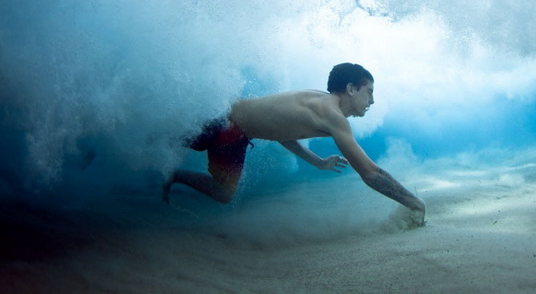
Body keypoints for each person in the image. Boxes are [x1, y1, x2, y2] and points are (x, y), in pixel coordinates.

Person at [162, 62, 426, 224]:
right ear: (351, 89)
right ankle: (151, 134)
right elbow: (370, 173)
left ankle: (174, 174)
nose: (372, 101)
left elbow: (281, 131)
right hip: (223, 124)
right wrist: (414, 203)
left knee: (224, 194)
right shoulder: (332, 115)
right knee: (166, 136)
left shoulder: (321, 105)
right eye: (369, 92)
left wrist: (318, 162)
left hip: (237, 135)